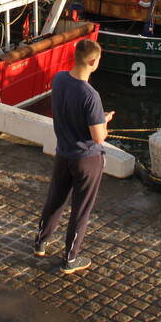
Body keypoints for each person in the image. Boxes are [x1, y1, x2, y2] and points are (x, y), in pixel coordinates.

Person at [33, 38, 113, 274]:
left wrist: (98, 119)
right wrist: (105, 122)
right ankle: (71, 258)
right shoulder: (91, 95)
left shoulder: (58, 79)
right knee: (81, 209)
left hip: (63, 152)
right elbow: (98, 137)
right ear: (92, 61)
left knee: (55, 200)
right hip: (86, 158)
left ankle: (40, 242)